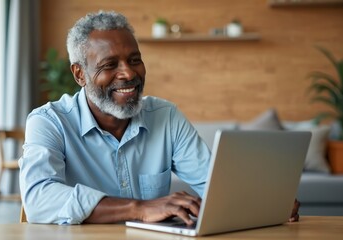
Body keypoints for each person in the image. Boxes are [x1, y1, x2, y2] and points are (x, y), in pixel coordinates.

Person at [19, 10, 299, 225]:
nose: (128, 73)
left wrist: (265, 201)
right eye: (109, 65)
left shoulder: (166, 116)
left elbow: (214, 183)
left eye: (134, 59)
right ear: (79, 74)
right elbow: (39, 200)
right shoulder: (49, 122)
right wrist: (138, 208)